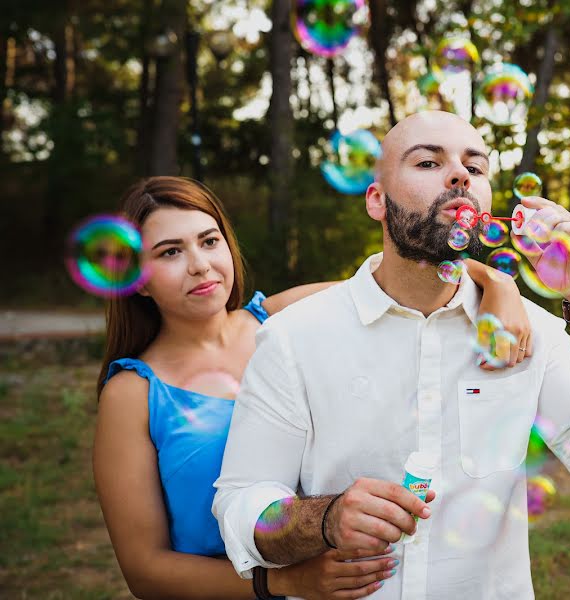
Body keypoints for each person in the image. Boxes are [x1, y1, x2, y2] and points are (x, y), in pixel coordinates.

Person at [213, 111, 570, 599]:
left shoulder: (533, 333)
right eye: (428, 162)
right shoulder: (294, 339)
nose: (460, 175)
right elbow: (243, 505)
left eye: (476, 166)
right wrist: (325, 518)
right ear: (376, 200)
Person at [92, 176, 533, 600]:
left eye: (209, 241)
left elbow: (410, 270)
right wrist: (283, 584)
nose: (200, 264)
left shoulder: (287, 320)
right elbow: (145, 570)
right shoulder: (133, 393)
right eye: (170, 252)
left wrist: (497, 282)